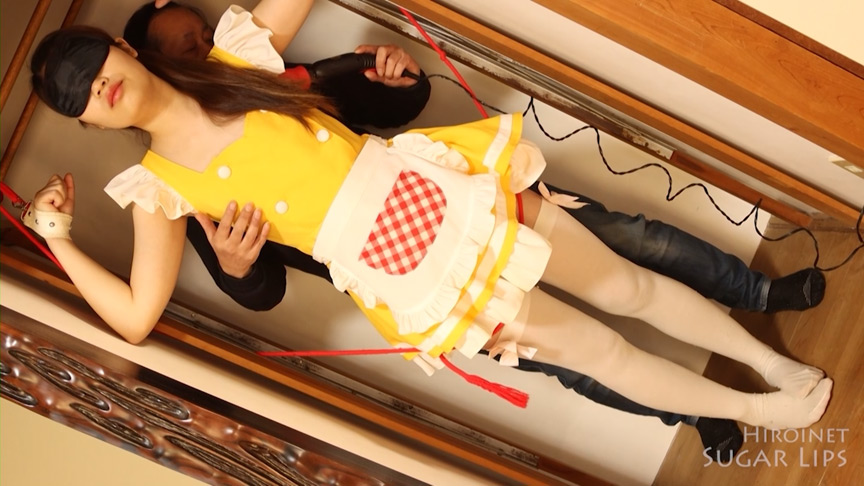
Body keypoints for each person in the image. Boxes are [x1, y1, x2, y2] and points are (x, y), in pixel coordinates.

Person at [27, 0, 833, 438]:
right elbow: (135, 318)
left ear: (123, 50)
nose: (94, 86)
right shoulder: (157, 190)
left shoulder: (241, 56)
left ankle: (773, 366)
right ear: (87, 122)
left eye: (91, 64)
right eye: (75, 96)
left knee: (629, 285)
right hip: (406, 272)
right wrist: (55, 238)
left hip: (444, 192)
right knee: (602, 354)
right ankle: (759, 411)